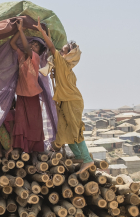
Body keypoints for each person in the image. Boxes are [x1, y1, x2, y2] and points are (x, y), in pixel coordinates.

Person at [33, 17, 94, 174]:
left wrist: (42, 31)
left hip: (72, 102)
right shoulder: (66, 67)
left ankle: (87, 160)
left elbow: (52, 47)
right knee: (66, 131)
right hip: (67, 101)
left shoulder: (62, 63)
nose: (60, 51)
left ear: (68, 55)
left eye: (64, 50)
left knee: (74, 130)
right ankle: (80, 157)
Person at [7, 19, 45, 157]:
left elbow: (28, 49)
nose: (33, 46)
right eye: (32, 44)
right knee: (21, 120)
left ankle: (35, 149)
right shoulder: (22, 57)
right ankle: (22, 148)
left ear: (38, 52)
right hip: (22, 94)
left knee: (34, 122)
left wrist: (22, 30)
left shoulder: (35, 57)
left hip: (32, 94)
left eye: (36, 46)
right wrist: (18, 31)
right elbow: (12, 43)